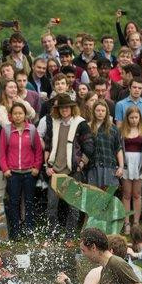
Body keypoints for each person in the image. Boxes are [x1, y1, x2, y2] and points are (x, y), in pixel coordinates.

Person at [43, 94, 93, 238]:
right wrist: (46, 166)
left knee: (74, 206)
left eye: (67, 107)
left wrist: (82, 163)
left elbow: (89, 145)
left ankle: (70, 235)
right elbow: (47, 145)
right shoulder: (54, 123)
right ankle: (53, 233)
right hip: (55, 170)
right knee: (52, 206)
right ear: (57, 109)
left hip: (73, 170)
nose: (64, 110)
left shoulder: (80, 123)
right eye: (61, 107)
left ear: (72, 108)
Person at [0, 102, 43, 240]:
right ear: (11, 116)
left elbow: (38, 151)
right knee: (13, 202)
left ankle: (29, 230)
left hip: (29, 172)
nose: (18, 116)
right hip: (13, 173)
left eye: (20, 113)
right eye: (15, 113)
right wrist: (5, 169)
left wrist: (37, 167)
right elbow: (2, 152)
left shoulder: (32, 129)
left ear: (25, 115)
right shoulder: (6, 130)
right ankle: (15, 232)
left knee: (29, 202)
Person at [119, 106, 142, 232]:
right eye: (131, 117)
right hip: (126, 162)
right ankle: (126, 222)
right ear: (127, 118)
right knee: (126, 194)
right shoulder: (122, 131)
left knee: (137, 194)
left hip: (140, 163)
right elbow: (118, 147)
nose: (133, 120)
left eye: (136, 117)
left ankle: (136, 223)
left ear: (139, 118)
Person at [87, 99, 124, 189]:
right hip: (93, 166)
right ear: (93, 111)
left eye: (103, 111)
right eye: (98, 110)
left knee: (108, 196)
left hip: (109, 166)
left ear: (106, 112)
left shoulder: (113, 128)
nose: (100, 113)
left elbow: (118, 148)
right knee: (94, 196)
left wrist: (121, 166)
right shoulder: (88, 127)